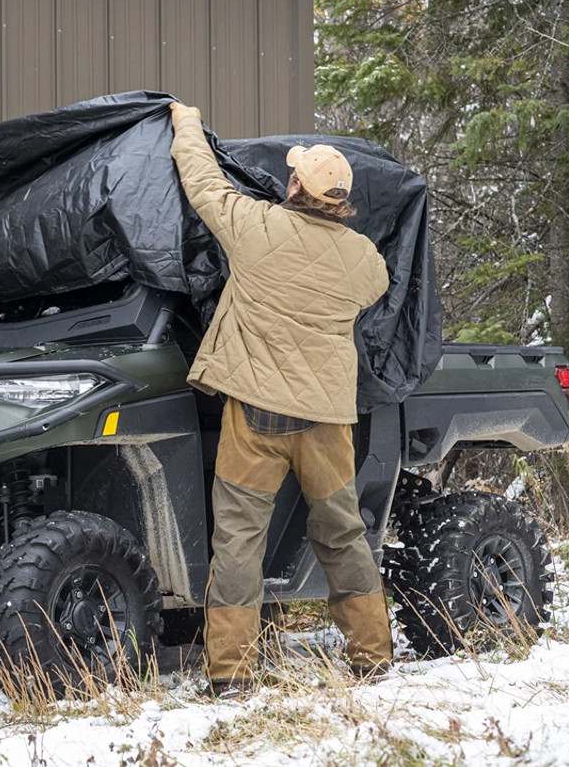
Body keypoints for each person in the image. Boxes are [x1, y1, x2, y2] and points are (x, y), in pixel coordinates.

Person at [167, 102, 393, 697]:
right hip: (327, 422)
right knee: (343, 532)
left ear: (293, 185)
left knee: (240, 538)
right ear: (341, 199)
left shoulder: (254, 227)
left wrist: (185, 122)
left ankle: (231, 674)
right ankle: (373, 655)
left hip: (256, 414)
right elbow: (377, 286)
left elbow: (202, 180)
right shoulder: (364, 260)